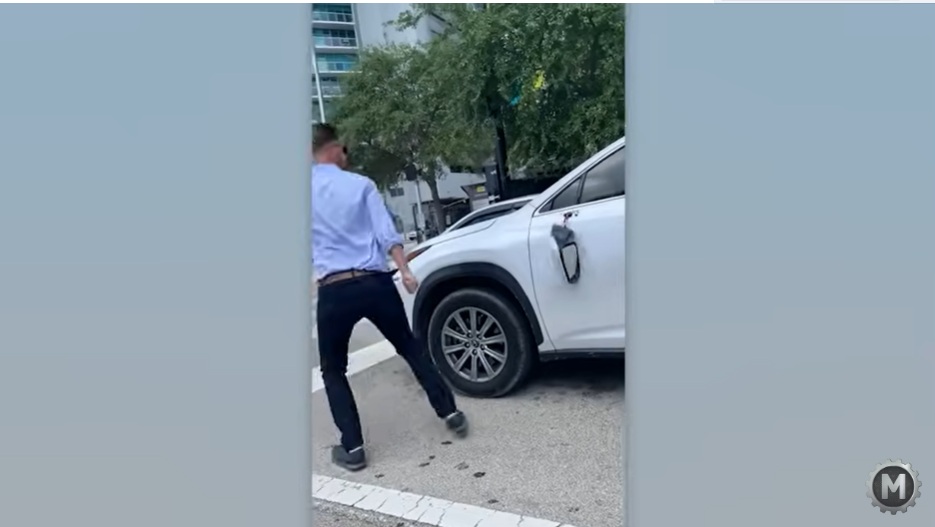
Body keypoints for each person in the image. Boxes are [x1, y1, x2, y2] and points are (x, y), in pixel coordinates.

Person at [310, 124, 468, 472]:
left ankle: (353, 448)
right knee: (410, 347)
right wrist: (405, 271)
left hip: (334, 289)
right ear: (333, 148)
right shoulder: (361, 185)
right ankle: (450, 412)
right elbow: (386, 233)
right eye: (343, 149)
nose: (346, 155)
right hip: (375, 283)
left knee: (333, 370)